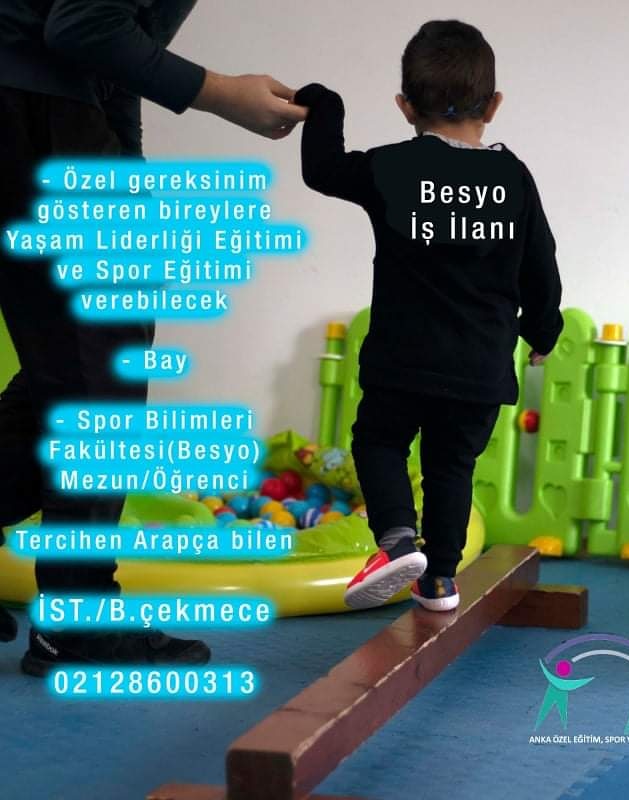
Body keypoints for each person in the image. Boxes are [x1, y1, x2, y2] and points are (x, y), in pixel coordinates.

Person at [0, 0, 306, 675]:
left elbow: (114, 48)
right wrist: (223, 94)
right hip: (33, 106)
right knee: (96, 379)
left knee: (67, 373)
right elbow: (83, 26)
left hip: (40, 107)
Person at [295, 19, 563, 612]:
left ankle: (396, 541)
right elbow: (540, 264)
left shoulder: (391, 167)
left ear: (405, 107)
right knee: (451, 466)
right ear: (493, 105)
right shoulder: (514, 179)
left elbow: (323, 169)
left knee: (379, 440)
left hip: (402, 361)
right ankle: (439, 579)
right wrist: (543, 330)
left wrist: (323, 104)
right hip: (479, 367)